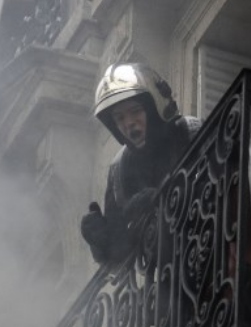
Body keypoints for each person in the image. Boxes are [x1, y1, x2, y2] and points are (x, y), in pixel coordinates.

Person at [80, 62, 201, 265]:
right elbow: (119, 259)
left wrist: (160, 199)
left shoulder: (191, 131)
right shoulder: (119, 170)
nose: (128, 123)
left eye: (135, 111)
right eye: (119, 118)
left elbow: (230, 185)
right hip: (169, 283)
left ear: (155, 106)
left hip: (215, 256)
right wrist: (100, 240)